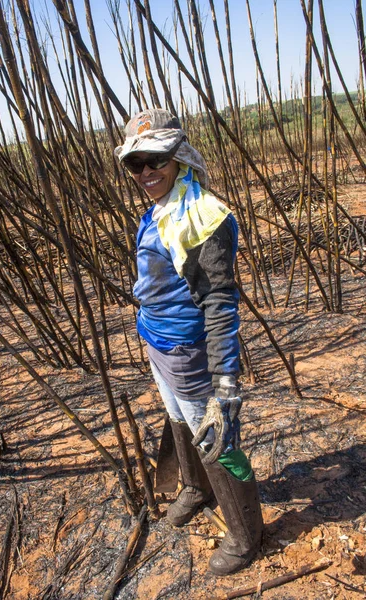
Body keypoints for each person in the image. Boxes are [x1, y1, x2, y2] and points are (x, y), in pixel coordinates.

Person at [115, 109, 263, 576]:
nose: (145, 172)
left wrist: (225, 381)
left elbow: (221, 304)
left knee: (216, 437)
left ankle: (245, 535)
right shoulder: (165, 207)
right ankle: (196, 489)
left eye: (155, 159)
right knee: (179, 419)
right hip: (159, 343)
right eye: (135, 164)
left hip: (188, 349)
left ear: (177, 156)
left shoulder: (203, 216)